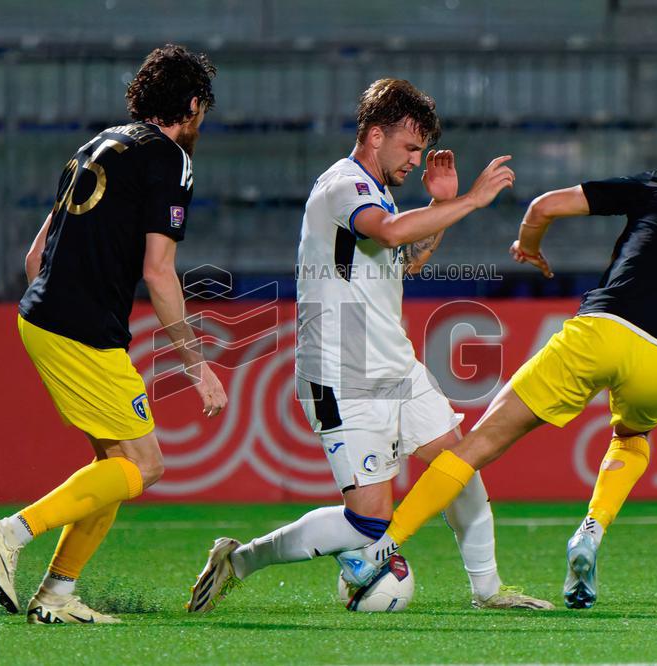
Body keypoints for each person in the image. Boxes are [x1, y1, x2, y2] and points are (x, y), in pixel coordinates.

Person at [337, 135, 657, 610]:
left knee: (477, 445)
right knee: (632, 438)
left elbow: (545, 205)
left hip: (604, 329)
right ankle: (591, 532)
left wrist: (528, 245)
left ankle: (380, 551)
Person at [187, 78, 552, 614]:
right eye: (409, 148)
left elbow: (409, 259)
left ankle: (489, 591)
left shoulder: (377, 191)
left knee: (458, 465)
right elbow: (387, 233)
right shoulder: (342, 185)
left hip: (394, 364)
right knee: (368, 522)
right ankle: (238, 561)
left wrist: (438, 205)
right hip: (341, 372)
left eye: (421, 150)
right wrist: (471, 201)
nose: (415, 160)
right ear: (375, 135)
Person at [0, 44, 227, 624]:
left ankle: (57, 595)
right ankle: (9, 533)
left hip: (41, 316)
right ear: (192, 105)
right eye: (202, 110)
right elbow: (159, 272)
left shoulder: (98, 144)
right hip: (82, 330)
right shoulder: (172, 160)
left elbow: (35, 254)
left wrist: (61, 306)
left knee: (112, 464)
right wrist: (198, 366)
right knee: (146, 465)